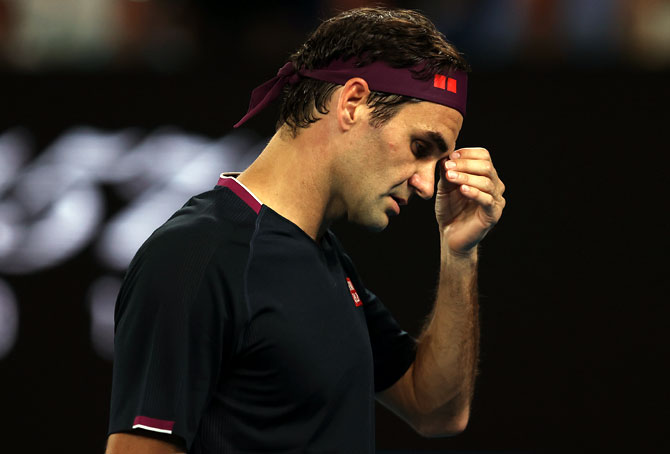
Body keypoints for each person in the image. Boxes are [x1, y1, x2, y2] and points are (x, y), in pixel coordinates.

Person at [106, 7, 505, 454]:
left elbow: (437, 410)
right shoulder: (194, 255)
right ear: (352, 103)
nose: (427, 184)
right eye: (419, 148)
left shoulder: (324, 259)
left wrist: (459, 254)